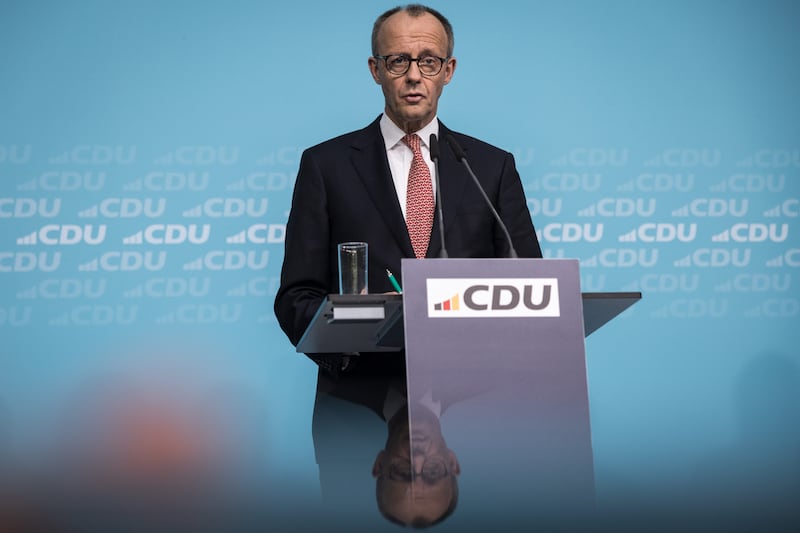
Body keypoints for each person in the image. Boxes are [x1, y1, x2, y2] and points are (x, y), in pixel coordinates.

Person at [274, 4, 542, 376]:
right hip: (362, 402)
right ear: (376, 70)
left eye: (429, 61)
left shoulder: (490, 166)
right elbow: (296, 299)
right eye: (399, 60)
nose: (414, 76)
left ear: (448, 71)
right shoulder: (326, 165)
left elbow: (530, 287)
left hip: (473, 398)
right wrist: (360, 323)